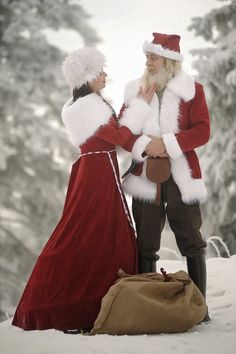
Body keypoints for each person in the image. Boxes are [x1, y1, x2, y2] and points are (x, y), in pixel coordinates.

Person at [12, 47, 155, 332]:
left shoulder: (79, 105)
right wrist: (140, 105)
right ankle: (89, 304)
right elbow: (120, 138)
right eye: (100, 72)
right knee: (101, 232)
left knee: (87, 230)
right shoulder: (91, 106)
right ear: (88, 77)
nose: (105, 76)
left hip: (91, 169)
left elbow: (111, 132)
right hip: (99, 172)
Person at [118, 33, 210, 320]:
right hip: (146, 176)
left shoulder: (192, 90)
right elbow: (123, 133)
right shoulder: (135, 89)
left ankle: (199, 308)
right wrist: (147, 146)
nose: (148, 62)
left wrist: (167, 143)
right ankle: (148, 307)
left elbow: (202, 130)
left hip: (181, 175)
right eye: (147, 57)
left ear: (169, 61)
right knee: (145, 242)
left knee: (191, 239)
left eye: (153, 57)